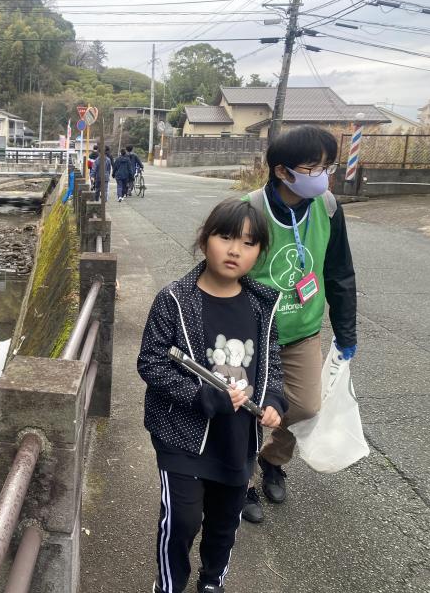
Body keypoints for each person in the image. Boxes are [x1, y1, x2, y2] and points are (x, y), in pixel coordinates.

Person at [138, 198, 286, 593]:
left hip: (237, 439)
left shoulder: (261, 306)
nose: (235, 249)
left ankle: (211, 583)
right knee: (183, 520)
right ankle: (169, 585)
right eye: (225, 237)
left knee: (225, 522)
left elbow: (272, 362)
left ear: (259, 253)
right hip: (182, 436)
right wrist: (203, 395)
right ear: (205, 241)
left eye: (249, 243)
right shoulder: (175, 299)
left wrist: (273, 400)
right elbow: (151, 363)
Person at [241, 125, 357, 523]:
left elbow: (340, 271)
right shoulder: (251, 210)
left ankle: (272, 460)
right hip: (252, 335)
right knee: (247, 410)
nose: (323, 175)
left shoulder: (327, 207)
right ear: (282, 172)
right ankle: (241, 481)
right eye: (313, 167)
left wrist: (346, 332)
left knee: (306, 406)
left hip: (302, 331)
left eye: (328, 165)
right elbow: (224, 273)